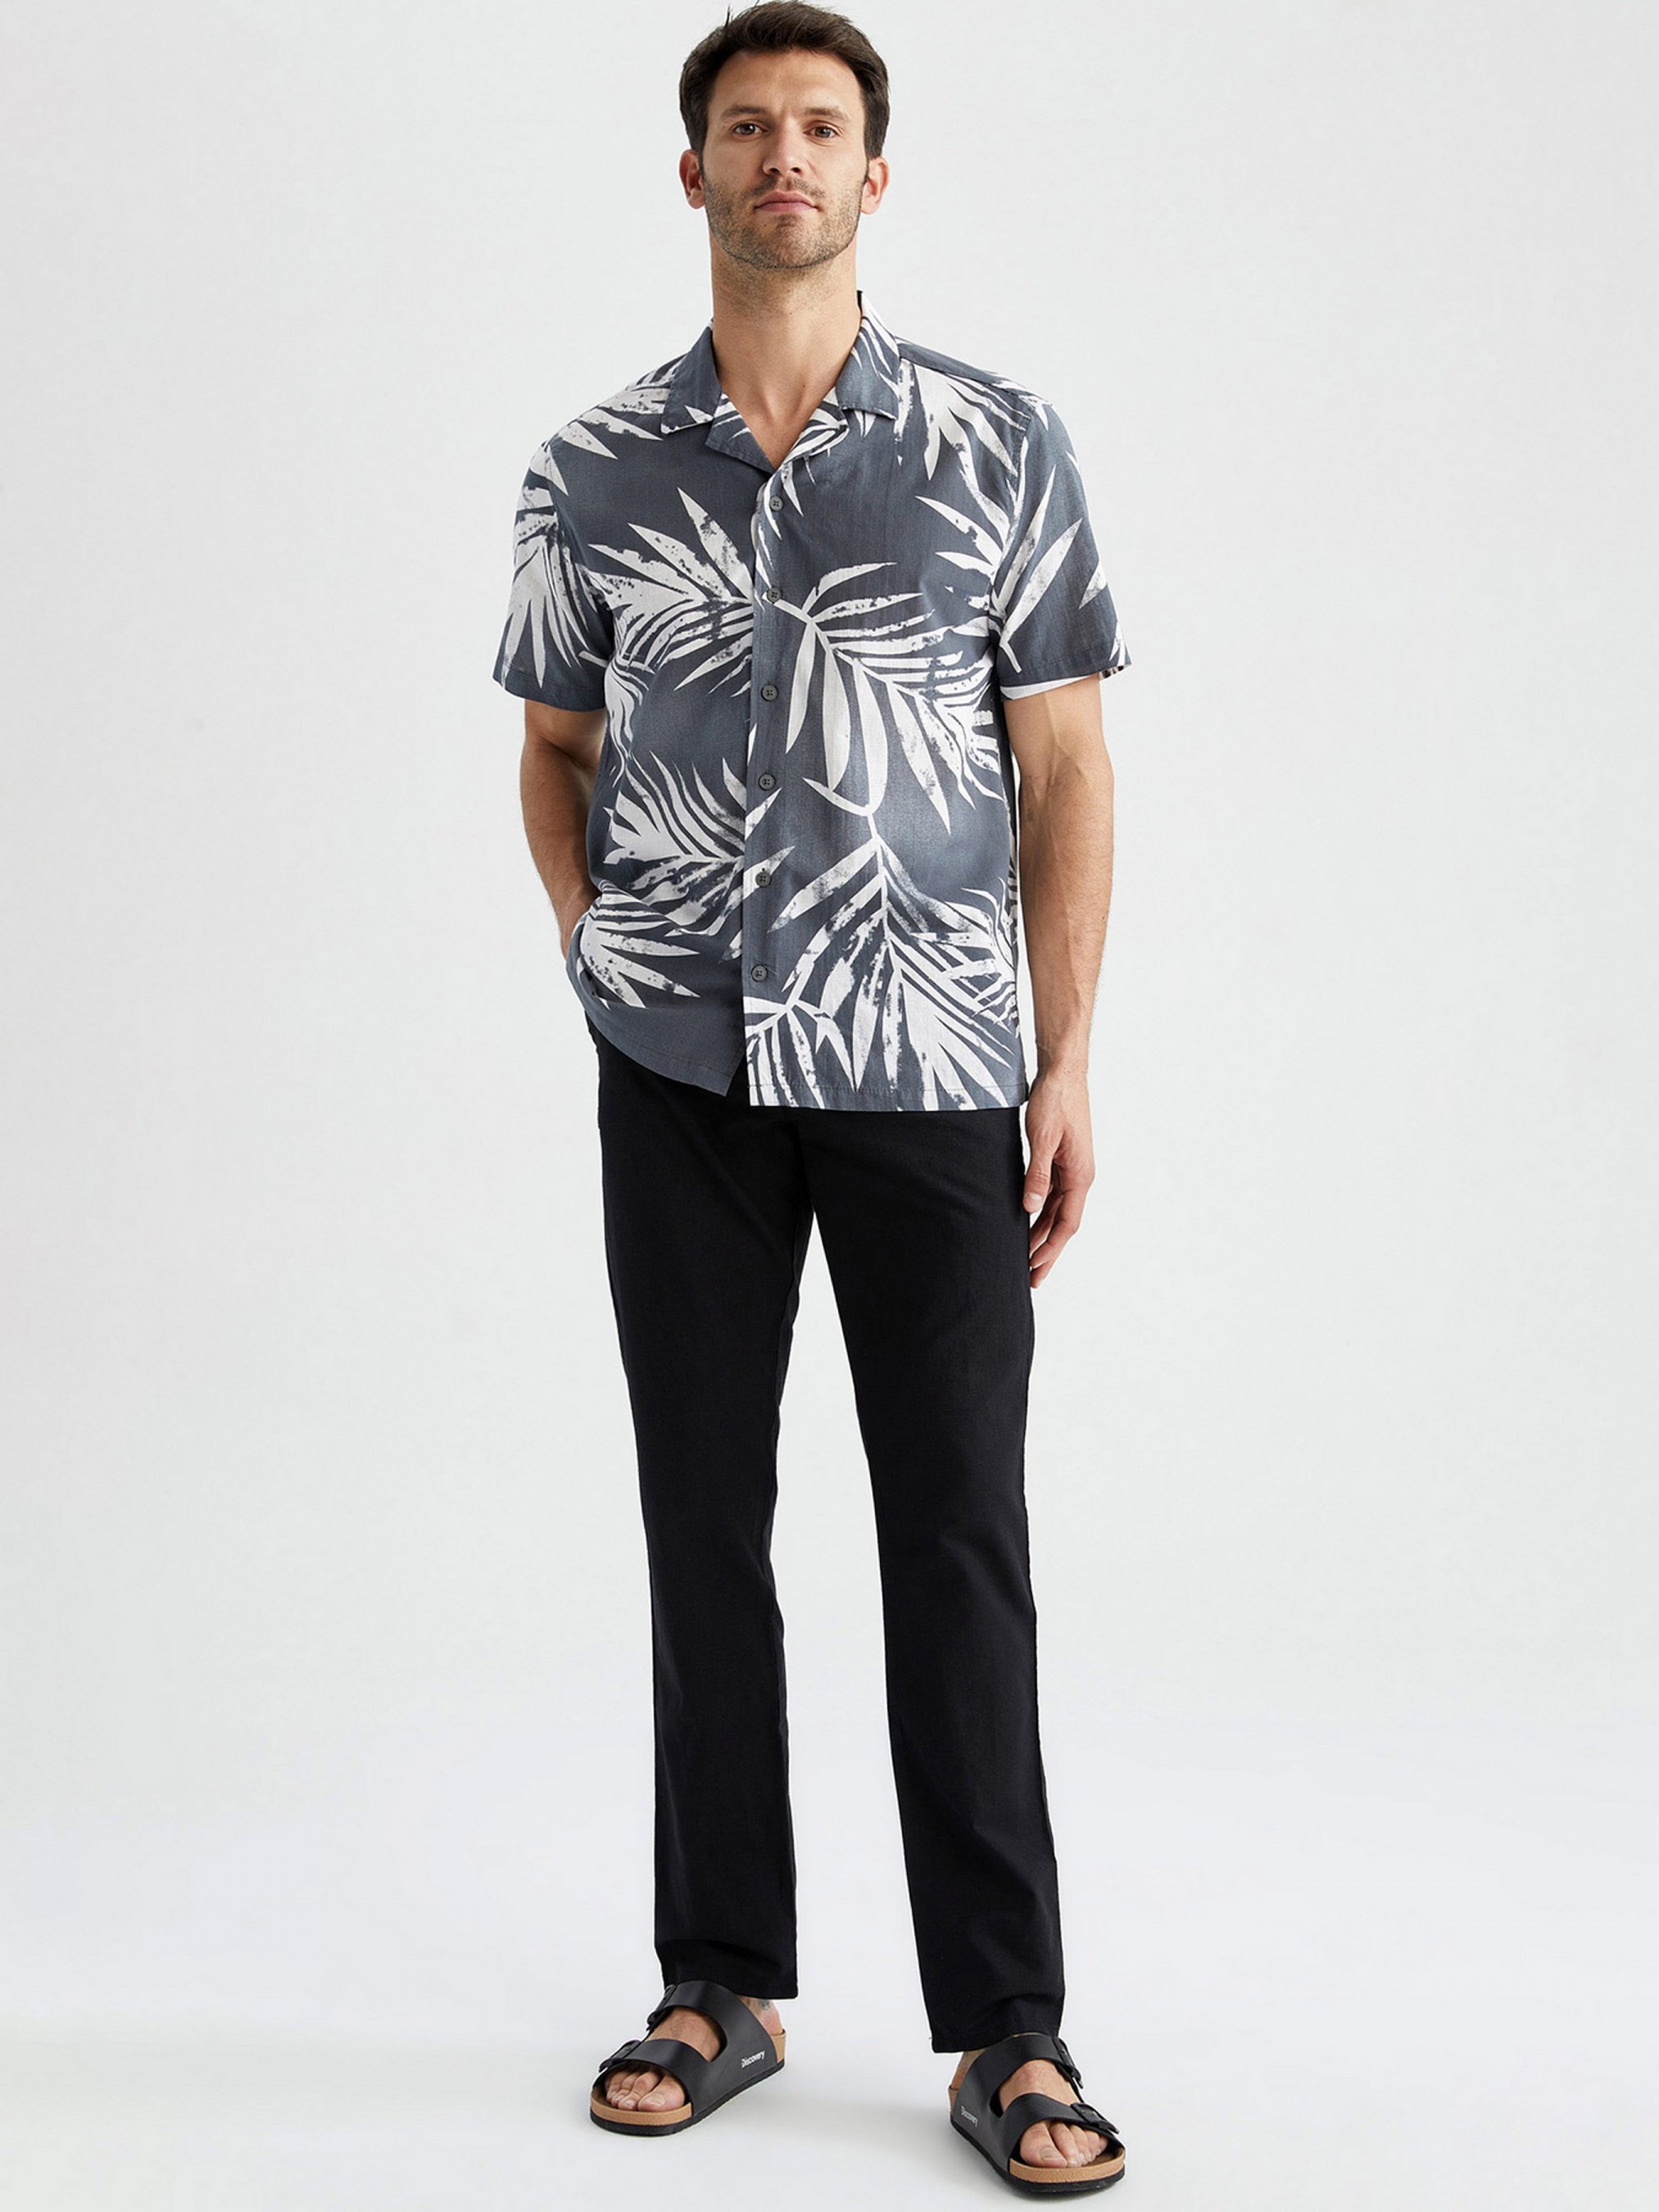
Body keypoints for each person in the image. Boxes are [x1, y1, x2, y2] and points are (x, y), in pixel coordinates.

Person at [491, 2, 1131, 2192]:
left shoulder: (994, 443)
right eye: (748, 126)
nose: (786, 155)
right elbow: (552, 746)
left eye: (822, 126)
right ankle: (721, 1980)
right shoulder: (590, 469)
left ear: (875, 172)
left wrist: (1063, 1054)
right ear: (692, 173)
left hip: (931, 1062)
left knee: (957, 1528)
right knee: (702, 1519)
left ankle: (1009, 2027)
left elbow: (1064, 764)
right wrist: (599, 949)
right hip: (677, 1063)